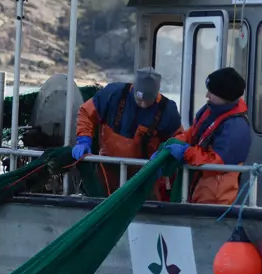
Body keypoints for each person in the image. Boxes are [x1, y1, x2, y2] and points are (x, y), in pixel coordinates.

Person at [73, 67, 183, 196]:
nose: (142, 104)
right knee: (103, 202)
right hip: (108, 169)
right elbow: (86, 112)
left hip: (145, 174)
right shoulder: (113, 94)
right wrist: (83, 139)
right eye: (138, 99)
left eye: (147, 101)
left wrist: (164, 157)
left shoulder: (167, 110)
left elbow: (179, 138)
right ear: (133, 89)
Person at [160, 67, 251, 204]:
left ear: (224, 96)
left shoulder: (236, 127)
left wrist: (186, 152)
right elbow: (194, 132)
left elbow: (216, 163)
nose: (207, 95)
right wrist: (174, 143)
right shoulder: (210, 109)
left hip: (215, 199)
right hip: (196, 190)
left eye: (212, 92)